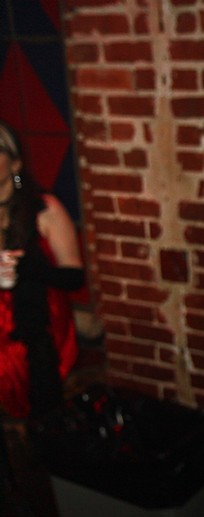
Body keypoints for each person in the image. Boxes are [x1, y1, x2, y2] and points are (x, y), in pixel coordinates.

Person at [0, 120, 84, 421]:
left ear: (15, 163)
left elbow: (74, 277)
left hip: (38, 327)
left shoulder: (44, 209)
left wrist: (32, 270)